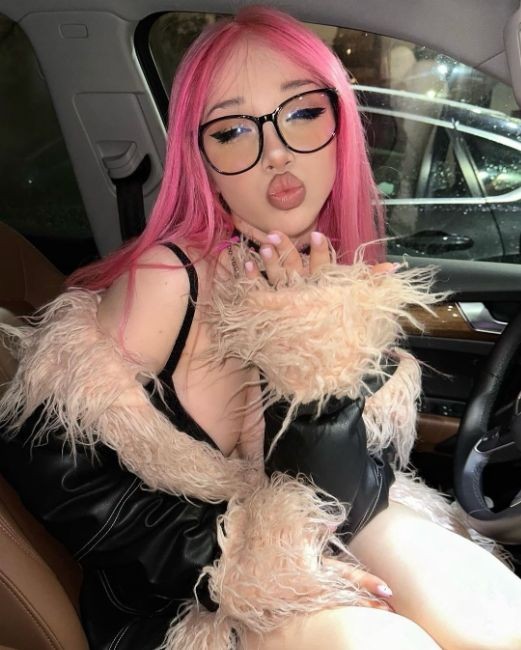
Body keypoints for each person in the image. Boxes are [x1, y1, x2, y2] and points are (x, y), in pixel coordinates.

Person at [1, 6, 521, 650]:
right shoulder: (171, 278)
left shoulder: (341, 273)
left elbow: (331, 496)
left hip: (322, 538)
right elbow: (52, 466)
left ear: (341, 125)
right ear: (203, 158)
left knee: (499, 619)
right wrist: (241, 564)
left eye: (302, 113)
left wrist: (311, 344)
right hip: (182, 593)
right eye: (232, 130)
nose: (275, 152)